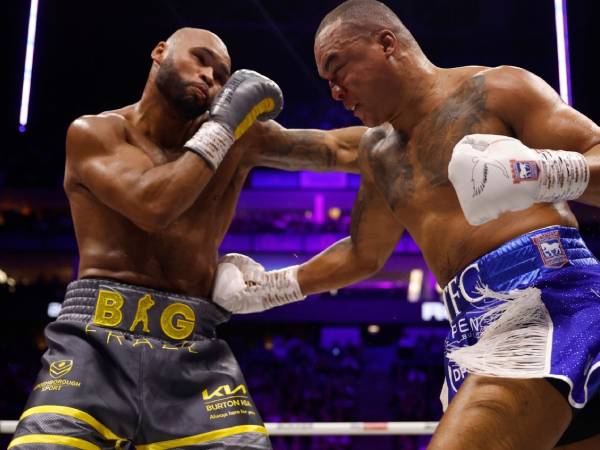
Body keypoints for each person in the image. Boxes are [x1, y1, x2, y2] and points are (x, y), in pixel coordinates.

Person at [212, 1, 600, 449]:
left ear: (386, 43)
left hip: (552, 300)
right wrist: (263, 291)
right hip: (472, 324)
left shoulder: (496, 90)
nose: (334, 91)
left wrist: (539, 172)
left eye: (338, 68)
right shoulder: (382, 155)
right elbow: (362, 255)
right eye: (327, 82)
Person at [8, 27, 365, 450]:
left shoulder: (242, 141)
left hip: (191, 344)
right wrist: (224, 125)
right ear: (159, 52)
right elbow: (153, 207)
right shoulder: (96, 134)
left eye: (220, 74)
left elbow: (338, 149)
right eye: (199, 59)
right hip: (93, 343)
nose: (210, 77)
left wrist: (427, 122)